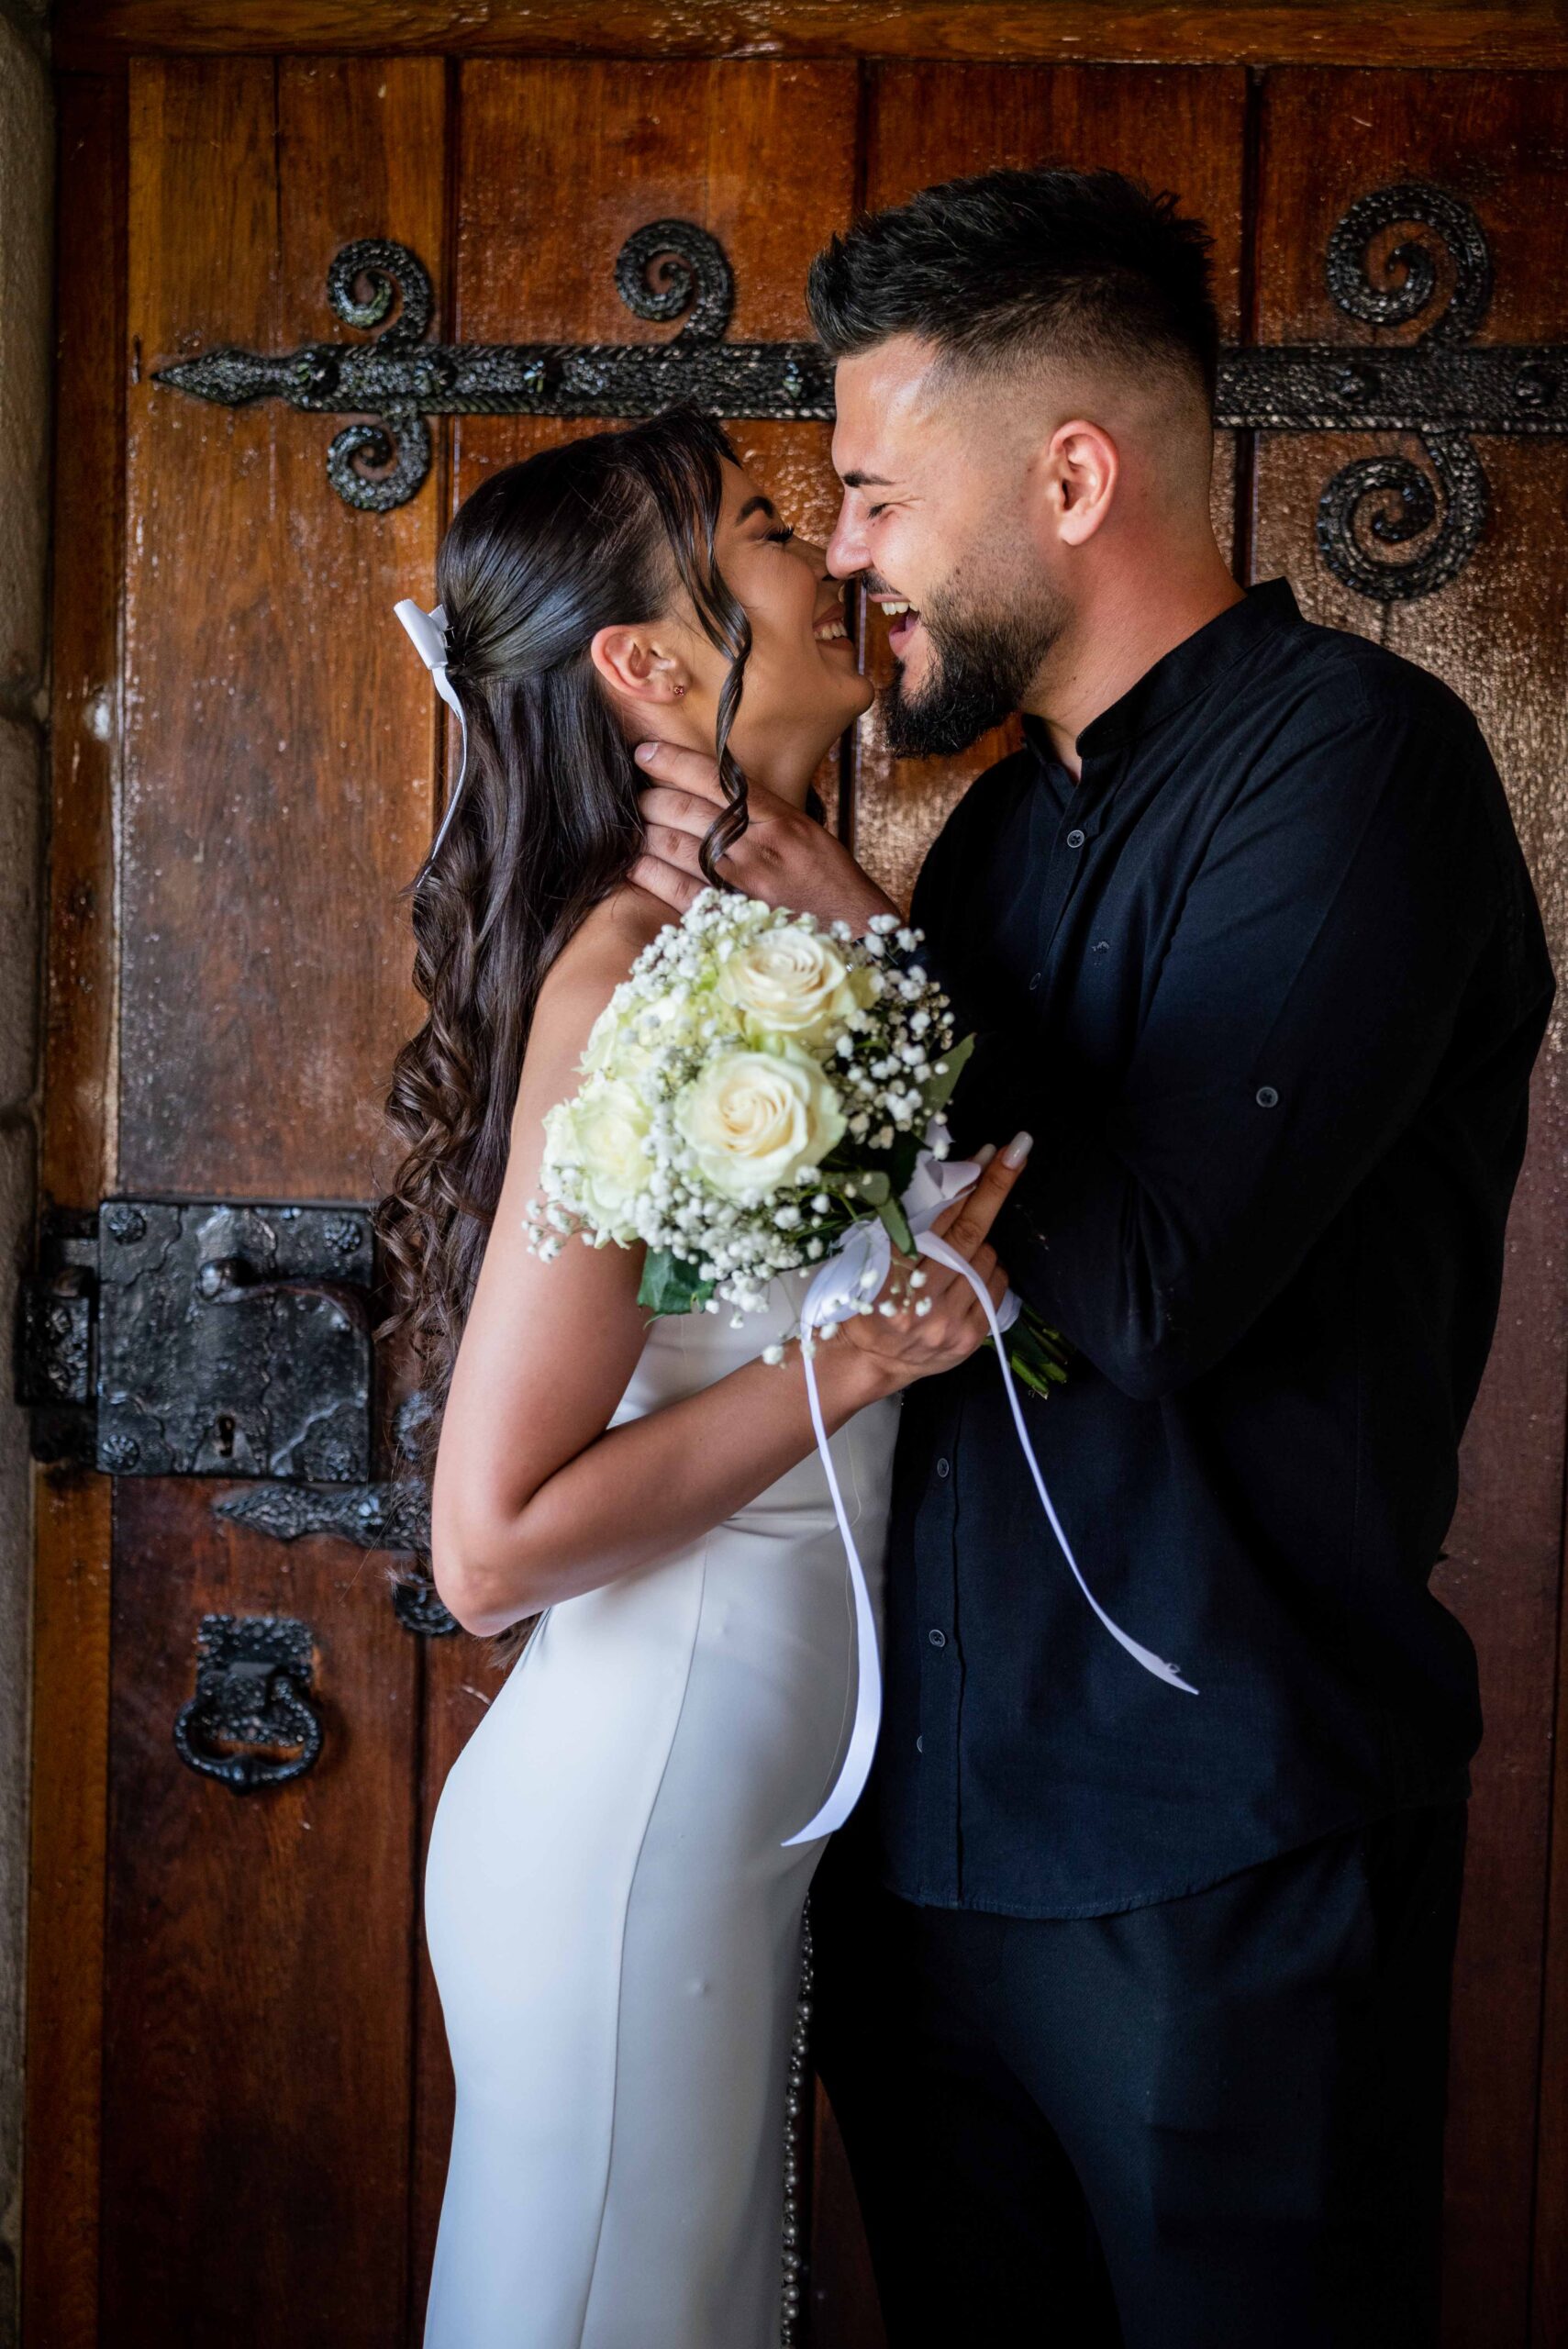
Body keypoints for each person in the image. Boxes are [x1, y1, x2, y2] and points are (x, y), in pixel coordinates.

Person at [630, 169, 1556, 2345]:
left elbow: (1142, 1290)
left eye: (879, 494)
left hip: (1222, 1863)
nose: (851, 555)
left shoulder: (1362, 765)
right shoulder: (989, 834)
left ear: (1072, 477)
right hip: (924, 1853)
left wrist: (864, 957)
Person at [377, 406, 1027, 2349]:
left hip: (735, 1814)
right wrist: (862, 1357)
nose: (829, 554)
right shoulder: (634, 982)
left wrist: (861, 926)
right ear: (650, 666)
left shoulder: (780, 941)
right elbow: (490, 1546)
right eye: (762, 529)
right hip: (634, 1816)